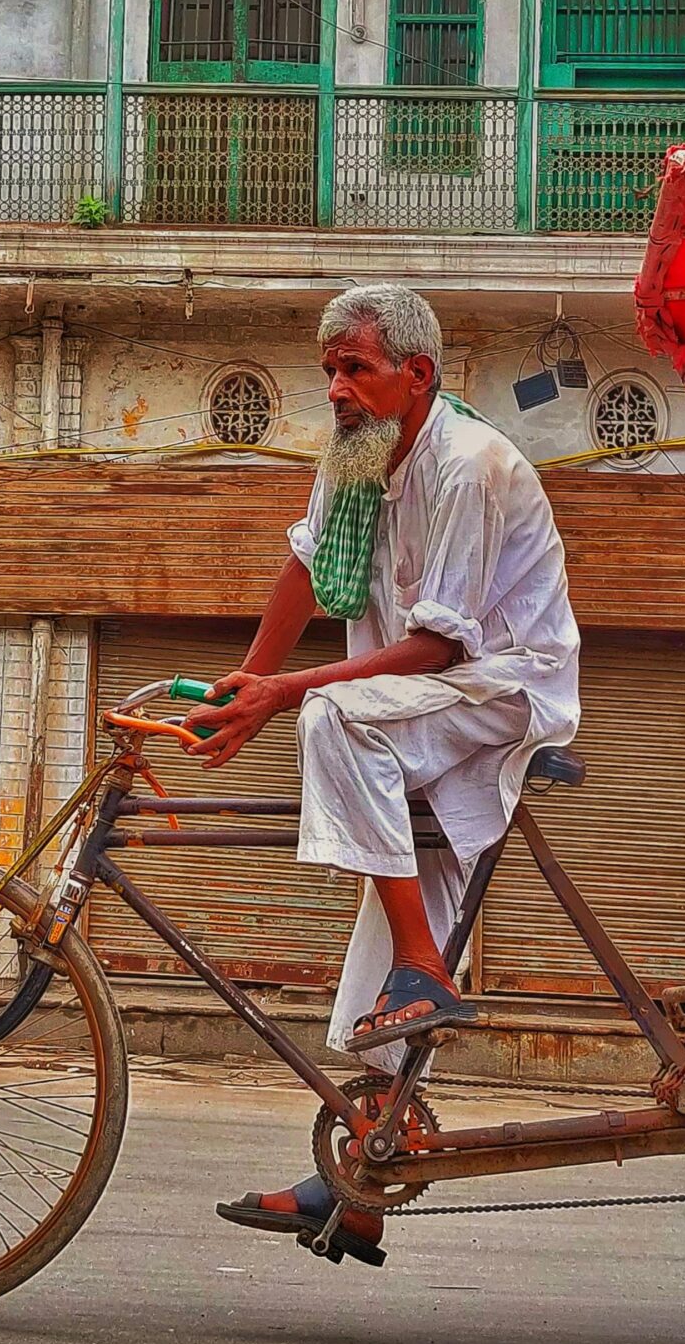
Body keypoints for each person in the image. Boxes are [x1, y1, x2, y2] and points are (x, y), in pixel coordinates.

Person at [189, 284, 581, 1268]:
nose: (336, 388)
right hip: (422, 705)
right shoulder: (361, 455)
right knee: (379, 962)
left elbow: (435, 651)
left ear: (418, 376)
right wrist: (248, 682)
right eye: (328, 369)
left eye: (354, 368)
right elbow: (303, 567)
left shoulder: (470, 465)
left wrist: (282, 694)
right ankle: (361, 1181)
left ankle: (426, 970)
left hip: (500, 686)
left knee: (331, 718)